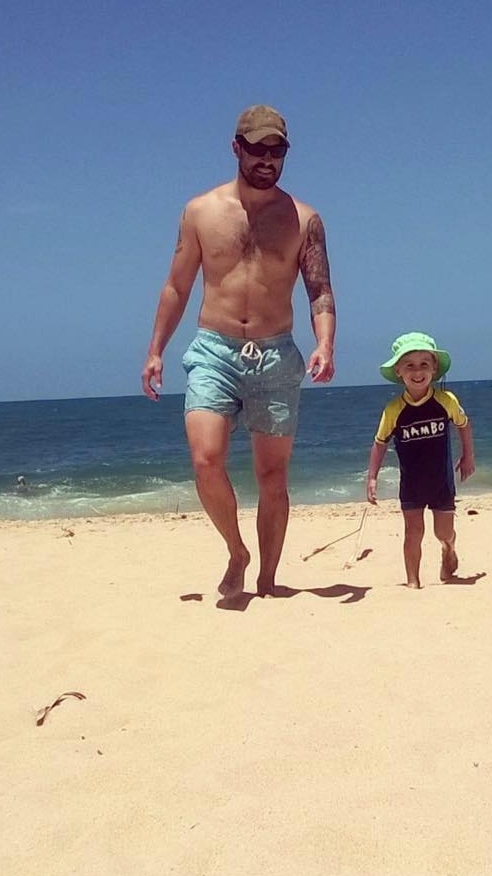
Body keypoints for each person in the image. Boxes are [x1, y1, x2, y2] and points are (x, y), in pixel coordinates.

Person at [141, 105, 336, 598]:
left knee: (272, 474)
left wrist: (325, 343)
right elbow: (176, 287)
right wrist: (155, 350)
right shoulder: (201, 212)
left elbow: (320, 291)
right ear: (236, 148)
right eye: (258, 149)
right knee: (206, 458)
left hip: (275, 355)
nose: (268, 159)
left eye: (278, 151)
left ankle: (268, 579)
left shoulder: (304, 219)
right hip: (214, 350)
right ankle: (236, 550)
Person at [366, 332, 475, 588]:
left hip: (441, 482)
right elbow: (379, 443)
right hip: (412, 483)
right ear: (398, 372)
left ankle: (449, 548)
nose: (417, 372)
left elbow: (464, 425)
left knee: (442, 532)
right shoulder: (393, 410)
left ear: (434, 368)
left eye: (424, 364)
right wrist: (372, 477)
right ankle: (413, 582)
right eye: (410, 365)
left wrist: (467, 455)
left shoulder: (446, 401)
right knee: (413, 533)